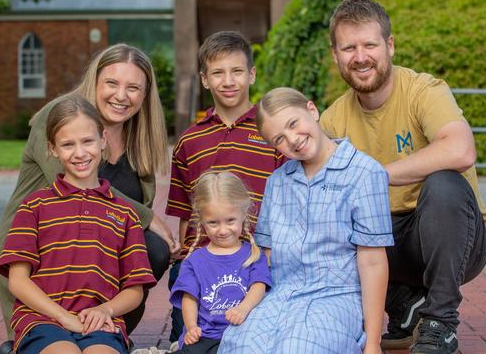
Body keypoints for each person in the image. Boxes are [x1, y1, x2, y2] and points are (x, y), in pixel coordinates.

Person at [320, 0, 486, 354]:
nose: (360, 56)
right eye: (349, 47)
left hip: (455, 237)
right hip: (386, 240)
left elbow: (460, 150)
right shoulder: (333, 119)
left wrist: (377, 175)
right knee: (327, 209)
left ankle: (440, 324)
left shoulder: (424, 91)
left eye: (370, 44)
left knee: (443, 184)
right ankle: (404, 306)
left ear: (390, 46)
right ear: (336, 55)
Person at [0, 44, 177, 354]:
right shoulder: (62, 117)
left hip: (99, 272)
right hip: (46, 256)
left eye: (133, 87)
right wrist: (150, 217)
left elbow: (132, 237)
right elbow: (75, 188)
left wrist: (106, 311)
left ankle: (107, 332)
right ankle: (29, 341)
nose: (121, 95)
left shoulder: (137, 139)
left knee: (155, 250)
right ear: (94, 81)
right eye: (112, 83)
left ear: (145, 95)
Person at [219, 87, 393, 354]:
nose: (293, 139)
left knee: (296, 347)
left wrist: (373, 342)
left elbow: (372, 260)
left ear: (312, 110)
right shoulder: (278, 181)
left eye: (293, 123)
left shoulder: (365, 173)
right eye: (279, 138)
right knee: (239, 343)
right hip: (281, 295)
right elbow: (266, 254)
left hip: (337, 297)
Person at [166, 31, 284, 343]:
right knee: (190, 339)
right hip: (204, 260)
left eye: (237, 71)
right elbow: (183, 210)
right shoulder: (190, 141)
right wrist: (188, 261)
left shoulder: (273, 131)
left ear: (252, 74)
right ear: (204, 79)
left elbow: (289, 201)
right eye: (217, 73)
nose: (228, 81)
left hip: (254, 260)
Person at [169, 171, 271, 354]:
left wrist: (243, 309)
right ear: (202, 221)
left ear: (244, 214)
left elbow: (259, 286)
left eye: (230, 220)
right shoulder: (195, 261)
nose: (223, 230)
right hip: (205, 335)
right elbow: (189, 298)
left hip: (243, 333)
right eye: (213, 223)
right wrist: (191, 327)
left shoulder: (254, 254)